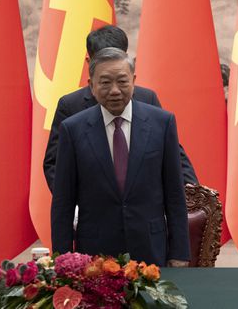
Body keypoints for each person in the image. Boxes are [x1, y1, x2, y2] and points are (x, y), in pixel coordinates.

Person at [51, 48, 190, 266]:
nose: (115, 90)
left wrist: (180, 252)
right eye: (105, 82)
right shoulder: (73, 129)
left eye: (122, 82)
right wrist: (63, 258)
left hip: (150, 249)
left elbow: (175, 194)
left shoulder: (162, 123)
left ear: (133, 81)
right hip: (95, 254)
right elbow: (63, 202)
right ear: (91, 86)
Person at [43, 25, 198, 190]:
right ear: (89, 63)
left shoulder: (147, 98)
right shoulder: (71, 105)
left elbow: (172, 153)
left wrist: (194, 193)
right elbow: (55, 164)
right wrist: (75, 207)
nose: (115, 90)